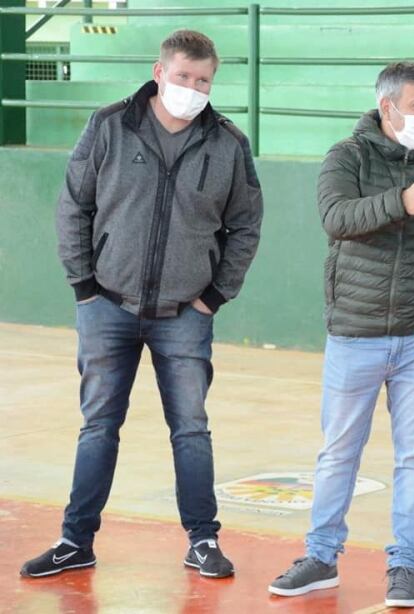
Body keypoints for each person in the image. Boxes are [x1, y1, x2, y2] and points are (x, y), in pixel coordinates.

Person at [20, 29, 263, 579]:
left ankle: (202, 541)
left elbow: (246, 225)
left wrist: (215, 295)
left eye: (204, 80)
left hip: (185, 314)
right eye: (183, 77)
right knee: (98, 426)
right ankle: (75, 540)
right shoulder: (109, 125)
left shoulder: (227, 144)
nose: (193, 88)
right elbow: (73, 206)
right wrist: (83, 284)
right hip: (106, 305)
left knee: (192, 429)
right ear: (160, 73)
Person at [268, 61, 414, 608]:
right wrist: (402, 200)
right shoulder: (347, 156)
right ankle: (320, 558)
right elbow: (335, 217)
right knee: (338, 452)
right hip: (354, 333)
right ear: (388, 107)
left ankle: (405, 567)